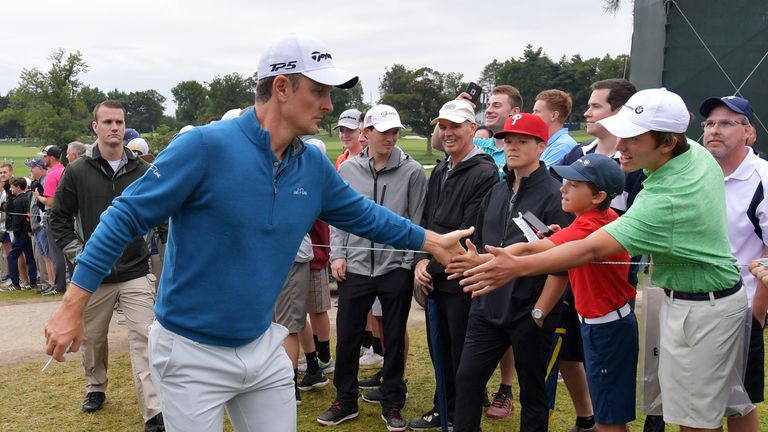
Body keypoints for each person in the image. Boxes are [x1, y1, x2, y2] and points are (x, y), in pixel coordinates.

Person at [43, 34, 470, 432]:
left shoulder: (312, 165)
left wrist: (432, 242)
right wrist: (72, 306)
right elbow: (123, 217)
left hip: (262, 344)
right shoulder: (205, 147)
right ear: (282, 88)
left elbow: (365, 215)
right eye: (318, 92)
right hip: (190, 353)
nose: (327, 105)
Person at [459, 88, 749, 432]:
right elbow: (572, 239)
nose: (619, 145)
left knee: (695, 420)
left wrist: (516, 266)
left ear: (668, 142)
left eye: (632, 138)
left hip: (700, 312)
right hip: (706, 300)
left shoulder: (663, 201)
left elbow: (590, 248)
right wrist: (514, 253)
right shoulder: (695, 155)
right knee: (733, 406)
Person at [454, 153, 637, 431]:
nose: (563, 188)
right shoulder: (592, 219)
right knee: (606, 413)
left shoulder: (588, 226)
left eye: (574, 185)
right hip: (603, 322)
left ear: (598, 196)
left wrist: (489, 260)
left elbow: (529, 249)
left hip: (607, 326)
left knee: (609, 419)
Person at [444, 113, 572, 432]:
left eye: (523, 141)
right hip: (487, 308)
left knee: (533, 392)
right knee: (467, 378)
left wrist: (540, 313)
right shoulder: (497, 191)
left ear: (542, 146)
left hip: (530, 311)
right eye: (508, 140)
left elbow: (563, 262)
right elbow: (483, 246)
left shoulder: (556, 195)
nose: (512, 147)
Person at [48, 101, 164, 431]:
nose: (115, 127)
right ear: (95, 127)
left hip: (135, 270)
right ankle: (95, 386)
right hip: (93, 275)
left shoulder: (142, 170)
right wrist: (80, 254)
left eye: (120, 122)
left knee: (144, 338)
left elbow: (163, 214)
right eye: (108, 121)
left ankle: (154, 410)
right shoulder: (77, 171)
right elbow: (58, 220)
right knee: (94, 339)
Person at [318, 104, 426, 430]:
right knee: (348, 337)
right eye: (384, 132)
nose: (391, 138)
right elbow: (338, 217)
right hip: (356, 268)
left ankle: (393, 400)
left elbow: (417, 219)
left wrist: (408, 263)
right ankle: (345, 399)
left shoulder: (413, 172)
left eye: (395, 131)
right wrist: (338, 254)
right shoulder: (348, 170)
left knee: (393, 337)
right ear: (366, 134)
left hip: (395, 269)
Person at [553, 78, 640, 432]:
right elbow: (570, 215)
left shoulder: (634, 164)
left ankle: (604, 418)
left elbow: (630, 229)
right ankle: (586, 417)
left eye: (596, 106)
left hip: (610, 285)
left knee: (606, 363)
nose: (586, 112)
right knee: (572, 351)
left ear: (619, 112)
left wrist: (510, 262)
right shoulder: (579, 153)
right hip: (573, 269)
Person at [409, 99, 499, 431]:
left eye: (455, 127)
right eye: (443, 127)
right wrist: (420, 260)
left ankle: (459, 416)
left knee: (462, 354)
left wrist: (428, 267)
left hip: (460, 278)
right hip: (436, 275)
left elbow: (469, 227)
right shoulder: (441, 169)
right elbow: (427, 219)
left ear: (472, 129)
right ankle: (443, 408)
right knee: (440, 349)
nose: (448, 133)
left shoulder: (485, 172)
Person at [701, 95, 766, 432]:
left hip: (740, 312)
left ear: (748, 132)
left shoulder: (763, 178)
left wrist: (755, 316)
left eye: (726, 123)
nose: (715, 130)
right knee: (699, 403)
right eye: (709, 123)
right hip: (693, 307)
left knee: (737, 405)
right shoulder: (695, 173)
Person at [37, 144, 68, 295]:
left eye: (45, 156)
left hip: (54, 215)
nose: (43, 159)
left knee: (57, 253)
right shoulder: (65, 170)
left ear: (52, 157)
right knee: (69, 251)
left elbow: (50, 201)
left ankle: (59, 285)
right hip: (68, 215)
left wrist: (38, 197)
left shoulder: (52, 174)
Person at [473, 85, 524, 176]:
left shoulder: (524, 151)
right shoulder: (477, 144)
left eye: (496, 106)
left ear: (514, 112)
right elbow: (441, 142)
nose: (488, 111)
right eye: (488, 106)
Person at [5, 177, 38, 291]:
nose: (11, 189)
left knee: (11, 256)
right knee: (29, 257)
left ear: (18, 187)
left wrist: (15, 230)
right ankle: (33, 282)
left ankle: (15, 283)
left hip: (21, 233)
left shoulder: (18, 200)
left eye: (12, 187)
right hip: (27, 232)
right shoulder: (26, 198)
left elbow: (10, 212)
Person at [533, 89, 578, 166]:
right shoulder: (547, 143)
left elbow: (539, 177)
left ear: (554, 115)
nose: (532, 115)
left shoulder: (562, 146)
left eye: (537, 111)